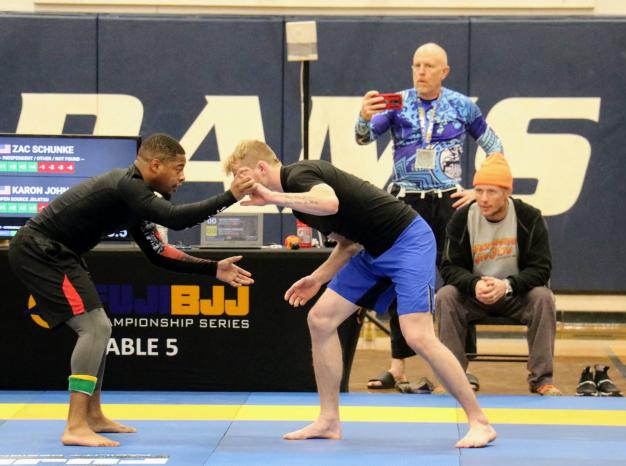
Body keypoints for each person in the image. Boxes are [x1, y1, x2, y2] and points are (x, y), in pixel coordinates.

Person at [224, 139, 496, 448]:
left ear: (261, 168)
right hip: (372, 251)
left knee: (418, 335)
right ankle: (328, 420)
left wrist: (271, 196)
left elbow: (329, 203)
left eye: (243, 175)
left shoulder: (299, 176)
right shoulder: (297, 201)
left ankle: (480, 422)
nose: (240, 184)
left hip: (408, 241)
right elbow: (348, 243)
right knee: (321, 319)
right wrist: (317, 278)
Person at [8, 133, 255, 447]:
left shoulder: (136, 199)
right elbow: (176, 219)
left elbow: (159, 252)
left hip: (59, 253)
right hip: (40, 251)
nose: (182, 177)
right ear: (155, 165)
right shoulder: (126, 185)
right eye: (178, 168)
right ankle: (75, 425)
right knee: (95, 328)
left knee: (99, 329)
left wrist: (212, 268)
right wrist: (231, 195)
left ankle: (92, 416)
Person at [354, 42, 504, 390]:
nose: (420, 72)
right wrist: (363, 116)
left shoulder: (462, 106)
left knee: (458, 280)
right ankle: (398, 366)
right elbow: (363, 139)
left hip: (449, 202)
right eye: (416, 65)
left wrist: (478, 189)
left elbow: (495, 148)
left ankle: (460, 366)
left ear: (444, 71)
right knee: (400, 278)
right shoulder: (398, 103)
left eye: (428, 66)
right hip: (404, 203)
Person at [437, 154, 561, 396]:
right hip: (475, 296)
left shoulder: (529, 217)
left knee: (543, 297)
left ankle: (542, 379)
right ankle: (453, 378)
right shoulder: (462, 217)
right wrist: (474, 285)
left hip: (516, 295)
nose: (483, 199)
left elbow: (541, 268)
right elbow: (449, 267)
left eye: (491, 192)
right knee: (446, 296)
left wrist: (507, 285)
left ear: (507, 192)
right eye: (479, 191)